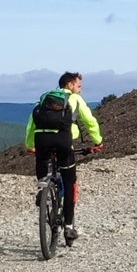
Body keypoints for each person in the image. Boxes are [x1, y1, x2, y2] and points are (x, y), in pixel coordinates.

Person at [26, 71, 103, 243]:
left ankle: (42, 189)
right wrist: (97, 141)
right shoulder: (75, 99)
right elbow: (89, 121)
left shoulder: (46, 99)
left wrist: (29, 145)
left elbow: (32, 122)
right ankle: (68, 227)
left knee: (43, 160)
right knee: (69, 183)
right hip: (63, 141)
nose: (80, 90)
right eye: (79, 86)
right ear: (69, 85)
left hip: (42, 140)